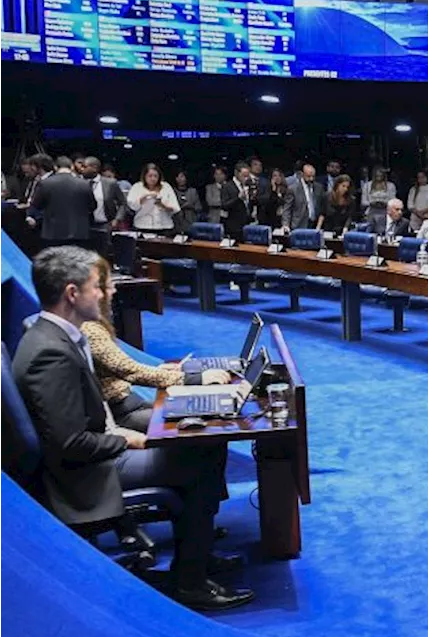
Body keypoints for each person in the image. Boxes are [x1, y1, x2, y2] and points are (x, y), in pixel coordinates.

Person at [13, 246, 252, 610]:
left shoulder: (58, 335)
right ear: (72, 294)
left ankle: (198, 557)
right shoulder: (51, 353)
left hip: (99, 450)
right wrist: (136, 440)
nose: (108, 291)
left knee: (202, 442)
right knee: (200, 455)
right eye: (98, 286)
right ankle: (191, 582)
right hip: (85, 475)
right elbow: (71, 443)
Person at [84, 257, 233, 430]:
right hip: (121, 414)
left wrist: (160, 371)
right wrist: (196, 378)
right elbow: (130, 371)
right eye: (109, 286)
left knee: (202, 408)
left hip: (129, 403)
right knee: (206, 421)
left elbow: (120, 368)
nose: (113, 292)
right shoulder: (90, 330)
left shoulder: (93, 323)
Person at [30, 155, 94, 249]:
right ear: (72, 166)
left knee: (55, 261)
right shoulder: (84, 184)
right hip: (78, 233)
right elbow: (92, 206)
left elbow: (37, 205)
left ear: (56, 167)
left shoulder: (45, 183)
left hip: (53, 233)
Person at [126, 164, 180, 235]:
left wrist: (162, 205)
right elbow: (132, 206)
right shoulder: (137, 187)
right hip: (142, 226)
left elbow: (175, 209)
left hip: (164, 226)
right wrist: (143, 198)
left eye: (155, 176)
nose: (153, 178)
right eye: (150, 176)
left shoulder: (166, 187)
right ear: (144, 176)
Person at [82, 156, 125, 241]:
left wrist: (117, 219)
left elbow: (122, 203)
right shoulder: (79, 182)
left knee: (104, 251)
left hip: (105, 224)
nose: (81, 169)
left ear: (94, 168)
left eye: (85, 166)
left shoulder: (110, 183)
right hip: (84, 225)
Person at [285, 163, 325, 233]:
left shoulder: (319, 188)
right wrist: (286, 225)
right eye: (309, 176)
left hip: (315, 225)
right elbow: (287, 209)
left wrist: (319, 225)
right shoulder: (293, 189)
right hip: (298, 224)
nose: (311, 179)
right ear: (302, 174)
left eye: (313, 176)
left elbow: (322, 207)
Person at [221, 162, 256, 240]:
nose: (246, 178)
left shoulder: (249, 185)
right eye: (244, 175)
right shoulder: (227, 186)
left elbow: (251, 204)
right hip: (233, 226)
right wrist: (238, 198)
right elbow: (224, 206)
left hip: (247, 225)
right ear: (236, 173)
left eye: (247, 176)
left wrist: (253, 198)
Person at [171, 170, 202, 235]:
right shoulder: (172, 191)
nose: (180, 179)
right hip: (176, 224)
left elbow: (199, 208)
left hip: (191, 223)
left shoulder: (193, 191)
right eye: (178, 177)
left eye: (182, 177)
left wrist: (191, 206)